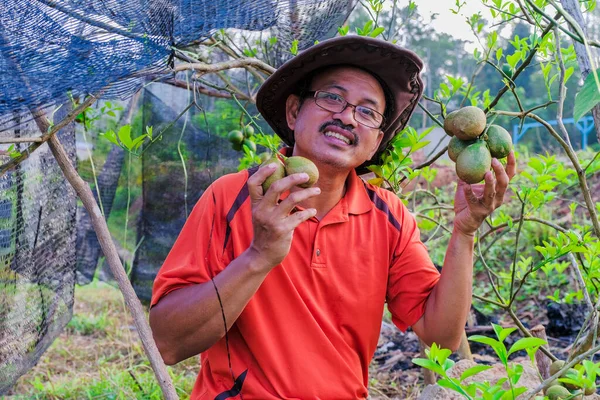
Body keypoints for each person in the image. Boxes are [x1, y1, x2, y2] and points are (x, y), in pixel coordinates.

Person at [149, 36, 516, 399]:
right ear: (294, 112)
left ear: (375, 142)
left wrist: (464, 232)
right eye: (332, 97)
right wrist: (258, 256)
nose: (346, 116)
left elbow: (441, 335)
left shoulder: (389, 216)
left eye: (367, 111)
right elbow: (168, 343)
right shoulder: (232, 196)